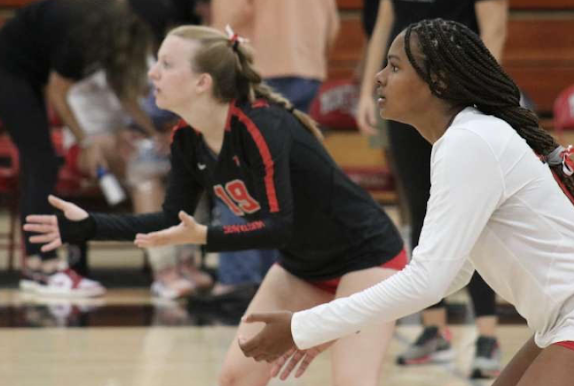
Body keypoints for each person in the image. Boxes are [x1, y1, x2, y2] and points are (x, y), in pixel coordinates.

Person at [24, 25, 407, 386]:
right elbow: (166, 219)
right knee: (235, 377)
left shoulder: (262, 127)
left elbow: (279, 226)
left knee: (352, 382)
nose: (153, 73)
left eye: (166, 64)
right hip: (304, 268)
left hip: (366, 259)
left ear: (202, 83)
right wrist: (90, 227)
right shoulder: (186, 138)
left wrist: (205, 234)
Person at [238, 18, 574, 386]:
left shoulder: (470, 141)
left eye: (395, 66)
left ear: (440, 81)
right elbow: (452, 272)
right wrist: (330, 327)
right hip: (557, 321)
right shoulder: (464, 139)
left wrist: (304, 326)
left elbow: (428, 280)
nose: (379, 77)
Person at [357, 0, 509, 376]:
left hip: (457, 98)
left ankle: (487, 334)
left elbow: (495, 30)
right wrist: (366, 92)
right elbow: (382, 30)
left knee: (474, 216)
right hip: (410, 98)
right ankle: (433, 327)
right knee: (420, 209)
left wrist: (482, 93)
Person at [0, 0, 154, 297]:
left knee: (39, 165)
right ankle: (40, 267)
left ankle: (38, 266)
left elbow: (123, 91)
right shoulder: (82, 35)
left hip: (29, 73)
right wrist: (85, 140)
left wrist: (152, 130)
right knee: (41, 164)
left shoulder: (107, 32)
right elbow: (59, 93)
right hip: (8, 70)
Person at [208, 0, 340, 301]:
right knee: (283, 177)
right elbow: (333, 25)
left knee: (236, 170)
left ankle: (239, 278)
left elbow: (232, 16)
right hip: (307, 69)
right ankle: (282, 273)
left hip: (256, 66)